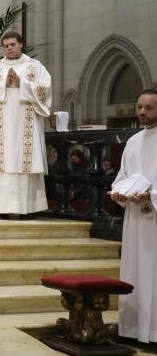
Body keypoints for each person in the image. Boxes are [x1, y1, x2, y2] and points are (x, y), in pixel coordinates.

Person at [0, 31, 52, 220]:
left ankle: (27, 209)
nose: (9, 48)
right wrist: (3, 84)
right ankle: (1, 208)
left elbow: (45, 89)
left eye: (12, 44)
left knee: (25, 165)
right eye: (6, 46)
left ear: (21, 44)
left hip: (26, 127)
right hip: (0, 127)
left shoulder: (34, 67)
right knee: (2, 167)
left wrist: (22, 83)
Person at [110, 89, 157, 345]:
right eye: (139, 106)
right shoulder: (133, 141)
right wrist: (120, 193)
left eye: (148, 108)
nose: (141, 112)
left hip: (154, 219)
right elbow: (123, 177)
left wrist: (152, 196)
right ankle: (132, 330)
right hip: (135, 219)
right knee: (134, 270)